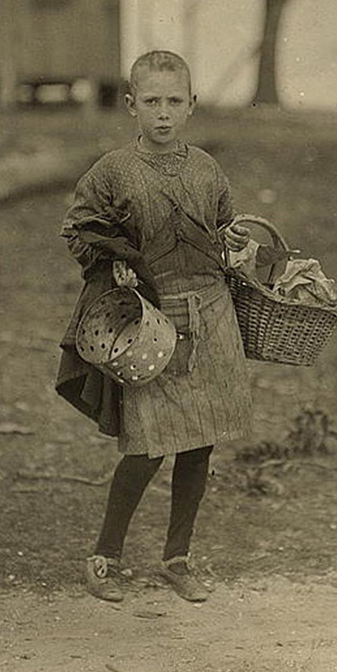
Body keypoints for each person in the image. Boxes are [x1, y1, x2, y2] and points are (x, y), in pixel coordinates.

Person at [55, 50, 253, 603]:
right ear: (130, 106)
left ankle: (178, 558)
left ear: (191, 104)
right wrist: (111, 262)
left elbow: (223, 229)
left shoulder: (207, 168)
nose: (163, 113)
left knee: (200, 441)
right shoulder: (113, 170)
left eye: (174, 101)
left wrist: (234, 242)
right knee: (146, 445)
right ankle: (104, 558)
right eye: (151, 102)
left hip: (211, 314)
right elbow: (77, 230)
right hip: (154, 320)